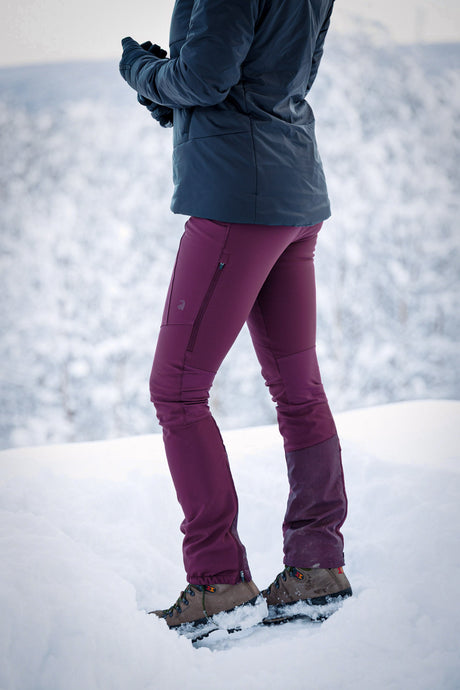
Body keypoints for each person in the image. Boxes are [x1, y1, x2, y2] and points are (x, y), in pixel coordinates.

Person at [119, 0, 351, 636]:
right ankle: (316, 567)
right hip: (294, 190)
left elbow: (205, 79)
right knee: (298, 388)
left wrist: (142, 70)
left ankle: (218, 580)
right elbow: (281, 73)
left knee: (177, 390)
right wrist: (174, 97)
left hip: (237, 198)